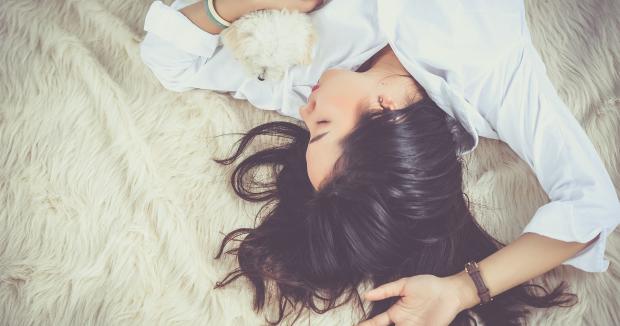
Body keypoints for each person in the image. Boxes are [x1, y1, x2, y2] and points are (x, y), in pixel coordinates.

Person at [139, 0, 620, 325]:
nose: (305, 111)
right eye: (322, 126)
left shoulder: (306, 78)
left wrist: (236, 5)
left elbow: (172, 60)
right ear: (386, 110)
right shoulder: (488, 70)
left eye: (308, 132)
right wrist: (460, 291)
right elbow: (591, 205)